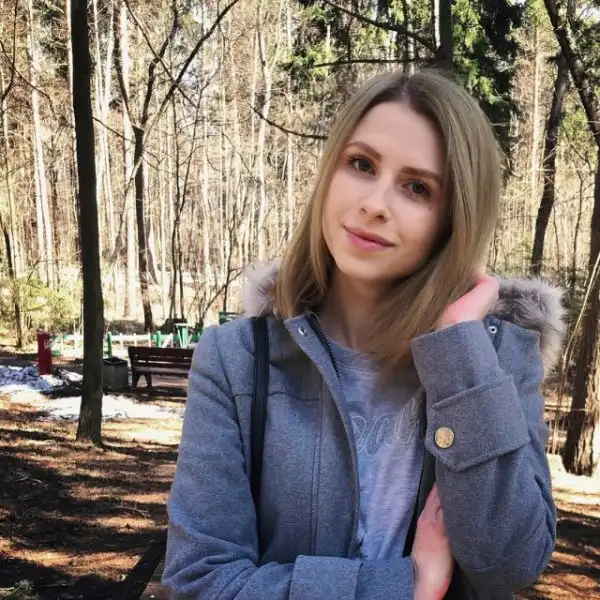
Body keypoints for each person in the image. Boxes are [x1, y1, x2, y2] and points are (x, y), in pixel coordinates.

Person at [162, 69, 566, 600]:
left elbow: (511, 564)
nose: (375, 204)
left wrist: (460, 359)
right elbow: (199, 580)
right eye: (361, 164)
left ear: (452, 221)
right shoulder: (237, 358)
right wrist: (403, 588)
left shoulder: (496, 358)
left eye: (417, 188)